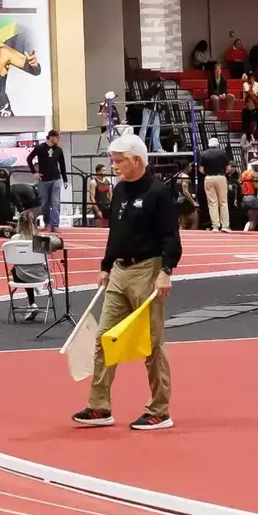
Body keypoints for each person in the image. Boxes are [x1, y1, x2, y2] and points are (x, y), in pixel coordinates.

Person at [72, 133, 179, 432]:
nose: (114, 165)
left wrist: (166, 270)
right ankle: (99, 406)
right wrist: (106, 265)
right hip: (119, 271)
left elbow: (171, 235)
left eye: (119, 161)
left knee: (151, 343)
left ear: (137, 160)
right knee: (105, 336)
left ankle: (159, 409)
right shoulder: (120, 190)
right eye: (113, 160)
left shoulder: (158, 193)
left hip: (148, 270)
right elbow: (115, 232)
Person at [26, 130, 66, 229]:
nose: (59, 139)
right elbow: (29, 159)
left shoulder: (59, 150)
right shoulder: (40, 148)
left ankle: (55, 225)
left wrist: (65, 179)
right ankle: (47, 222)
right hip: (43, 180)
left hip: (56, 179)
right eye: (57, 137)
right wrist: (34, 172)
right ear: (52, 137)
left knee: (55, 203)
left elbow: (62, 165)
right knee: (45, 204)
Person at [199, 145, 230, 232]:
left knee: (212, 203)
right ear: (217, 145)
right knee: (223, 202)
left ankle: (215, 226)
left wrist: (207, 173)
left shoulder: (204, 154)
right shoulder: (222, 153)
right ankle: (225, 225)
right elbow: (228, 168)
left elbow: (201, 169)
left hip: (209, 178)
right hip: (220, 177)